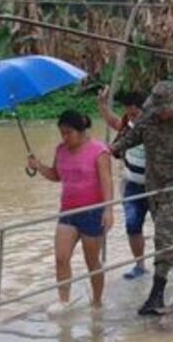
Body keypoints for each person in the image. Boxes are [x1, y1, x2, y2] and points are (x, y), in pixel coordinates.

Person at [110, 81, 173, 315]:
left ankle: (157, 294)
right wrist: (110, 149)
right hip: (154, 187)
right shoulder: (147, 118)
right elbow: (129, 139)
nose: (161, 112)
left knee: (163, 236)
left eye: (165, 108)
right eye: (158, 108)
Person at [28, 110, 114, 313]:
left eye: (68, 133)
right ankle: (64, 301)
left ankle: (97, 302)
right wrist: (38, 166)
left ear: (81, 131)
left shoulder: (99, 151)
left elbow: (107, 182)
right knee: (61, 257)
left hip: (93, 211)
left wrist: (108, 210)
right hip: (68, 211)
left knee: (92, 261)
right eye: (62, 133)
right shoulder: (61, 150)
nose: (64, 138)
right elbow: (56, 175)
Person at [97, 87, 173, 280]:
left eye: (135, 114)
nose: (132, 118)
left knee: (165, 224)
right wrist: (103, 105)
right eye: (129, 114)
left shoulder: (158, 126)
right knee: (132, 224)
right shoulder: (126, 126)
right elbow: (112, 120)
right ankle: (139, 265)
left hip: (158, 185)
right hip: (132, 184)